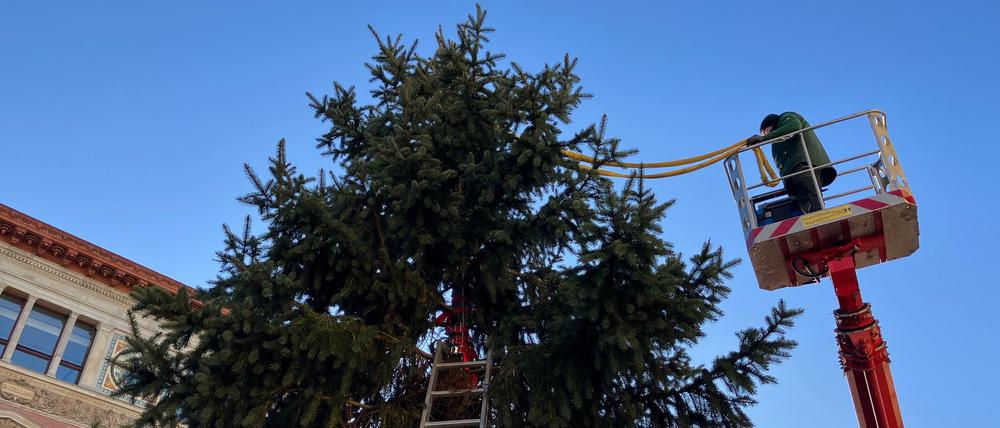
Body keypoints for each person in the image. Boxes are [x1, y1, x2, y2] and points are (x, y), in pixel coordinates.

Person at [747, 112, 837, 214]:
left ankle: (819, 218)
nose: (765, 134)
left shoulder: (786, 118)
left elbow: (794, 126)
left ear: (769, 125)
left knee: (809, 196)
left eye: (764, 132)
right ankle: (812, 216)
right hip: (793, 174)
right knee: (801, 202)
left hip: (802, 166)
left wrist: (763, 138)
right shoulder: (777, 140)